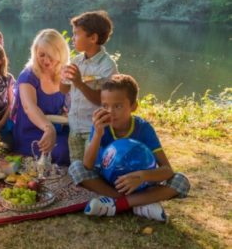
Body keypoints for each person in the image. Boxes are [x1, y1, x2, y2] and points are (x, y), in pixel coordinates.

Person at [68, 74, 190, 221]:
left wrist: (142, 176)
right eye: (105, 105)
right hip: (106, 182)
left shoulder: (144, 128)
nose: (110, 112)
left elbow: (167, 170)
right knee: (76, 167)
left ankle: (117, 204)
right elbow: (87, 165)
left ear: (133, 106)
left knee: (181, 181)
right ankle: (138, 203)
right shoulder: (100, 126)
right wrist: (98, 135)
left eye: (118, 106)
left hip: (141, 184)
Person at [61, 11, 118, 162]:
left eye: (76, 34)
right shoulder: (76, 61)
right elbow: (64, 89)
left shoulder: (107, 66)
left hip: (94, 129)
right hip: (75, 127)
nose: (73, 38)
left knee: (91, 167)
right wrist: (62, 77)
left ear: (93, 38)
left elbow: (102, 100)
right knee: (76, 165)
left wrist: (79, 83)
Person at [12, 29, 71, 165]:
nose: (46, 60)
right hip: (30, 133)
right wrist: (48, 128)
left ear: (61, 54)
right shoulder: (28, 75)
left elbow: (67, 106)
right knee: (63, 150)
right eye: (41, 55)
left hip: (57, 131)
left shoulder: (64, 76)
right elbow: (29, 107)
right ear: (35, 53)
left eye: (51, 56)